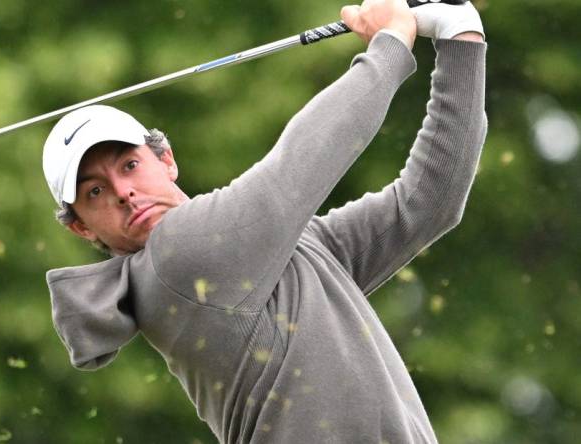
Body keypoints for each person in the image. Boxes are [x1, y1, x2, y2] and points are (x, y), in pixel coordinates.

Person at [42, 0, 486, 442]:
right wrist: (390, 42)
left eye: (129, 165)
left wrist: (460, 34)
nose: (122, 192)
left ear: (166, 160)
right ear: (81, 227)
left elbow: (429, 202)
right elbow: (302, 161)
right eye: (94, 191)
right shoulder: (175, 260)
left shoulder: (288, 253)